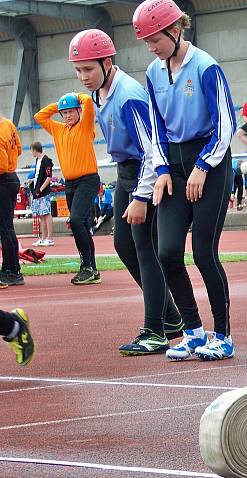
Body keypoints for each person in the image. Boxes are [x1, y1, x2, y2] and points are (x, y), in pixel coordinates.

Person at [69, 28, 185, 355]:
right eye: (78, 70)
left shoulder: (128, 95)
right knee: (123, 245)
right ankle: (171, 317)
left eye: (89, 69)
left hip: (144, 172)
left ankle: (155, 330)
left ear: (107, 62)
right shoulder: (99, 93)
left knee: (145, 248)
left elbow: (152, 151)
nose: (83, 77)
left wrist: (140, 197)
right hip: (124, 171)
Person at [134, 0, 236, 361]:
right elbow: (155, 127)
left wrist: (204, 165)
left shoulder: (206, 66)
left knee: (204, 253)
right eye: (145, 41)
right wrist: (162, 170)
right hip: (174, 166)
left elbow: (226, 124)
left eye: (154, 39)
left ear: (175, 31)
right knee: (167, 252)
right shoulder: (153, 71)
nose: (150, 47)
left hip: (211, 162)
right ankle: (193, 331)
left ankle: (222, 335)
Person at [35, 92, 101, 285]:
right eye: (64, 113)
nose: (67, 116)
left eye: (71, 111)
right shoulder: (58, 129)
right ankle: (93, 270)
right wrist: (61, 104)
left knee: (75, 220)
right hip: (70, 183)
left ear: (79, 112)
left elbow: (87, 100)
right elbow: (39, 116)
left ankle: (86, 267)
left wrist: (72, 97)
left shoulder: (85, 125)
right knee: (82, 225)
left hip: (88, 180)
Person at [0, 113, 23, 286]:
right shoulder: (9, 125)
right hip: (11, 177)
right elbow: (19, 149)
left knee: (5, 228)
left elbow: (0, 164)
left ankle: (12, 270)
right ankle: (10, 268)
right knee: (6, 227)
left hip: (3, 179)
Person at [29, 142, 55, 247]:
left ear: (35, 150)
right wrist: (32, 182)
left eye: (32, 150)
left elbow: (49, 177)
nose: (32, 152)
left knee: (47, 214)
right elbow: (38, 175)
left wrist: (41, 189)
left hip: (43, 192)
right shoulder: (37, 160)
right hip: (37, 192)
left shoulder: (46, 161)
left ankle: (50, 238)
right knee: (41, 215)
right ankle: (43, 238)